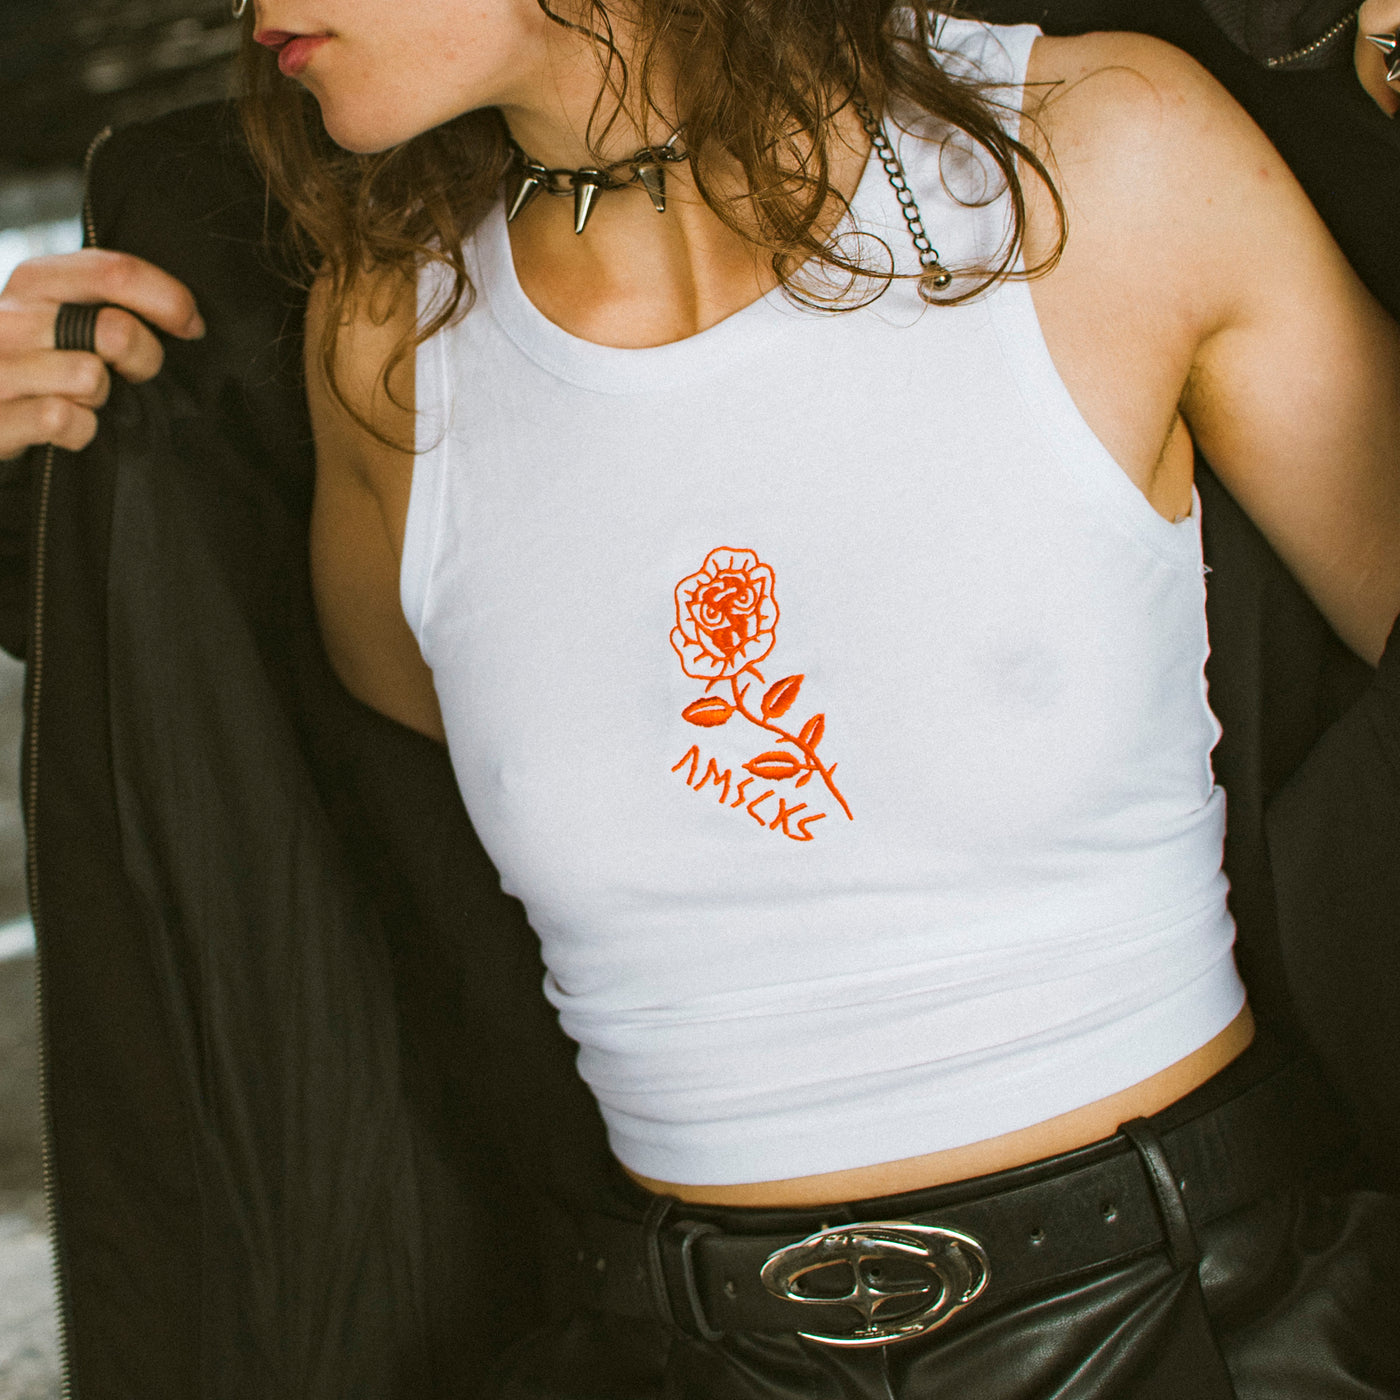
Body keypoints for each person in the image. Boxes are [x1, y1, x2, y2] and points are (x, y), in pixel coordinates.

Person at [0, 0, 1398, 1396]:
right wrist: (57, 505)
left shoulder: (1090, 154)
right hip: (666, 1353)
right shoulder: (390, 332)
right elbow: (328, 823)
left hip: (1213, 1329)